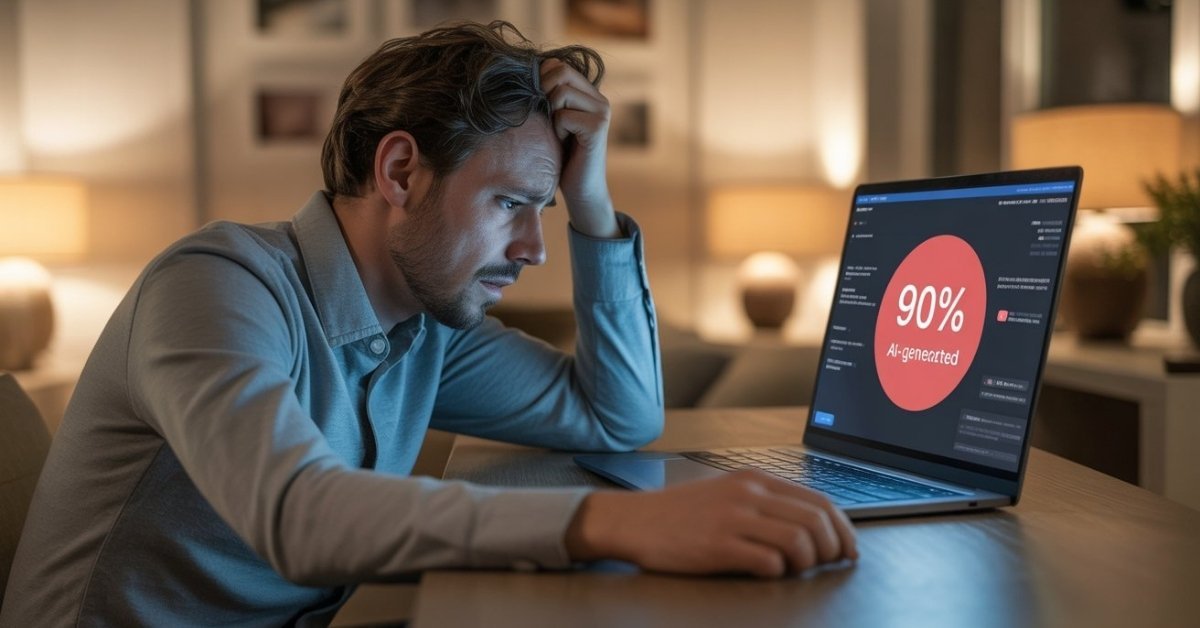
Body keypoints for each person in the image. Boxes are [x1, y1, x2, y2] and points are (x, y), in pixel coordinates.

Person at [0, 22, 856, 626]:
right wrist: (618, 522)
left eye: (544, 210)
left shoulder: (422, 328)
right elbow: (300, 516)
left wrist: (591, 205)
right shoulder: (214, 289)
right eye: (512, 203)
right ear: (402, 170)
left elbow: (617, 416)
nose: (534, 249)